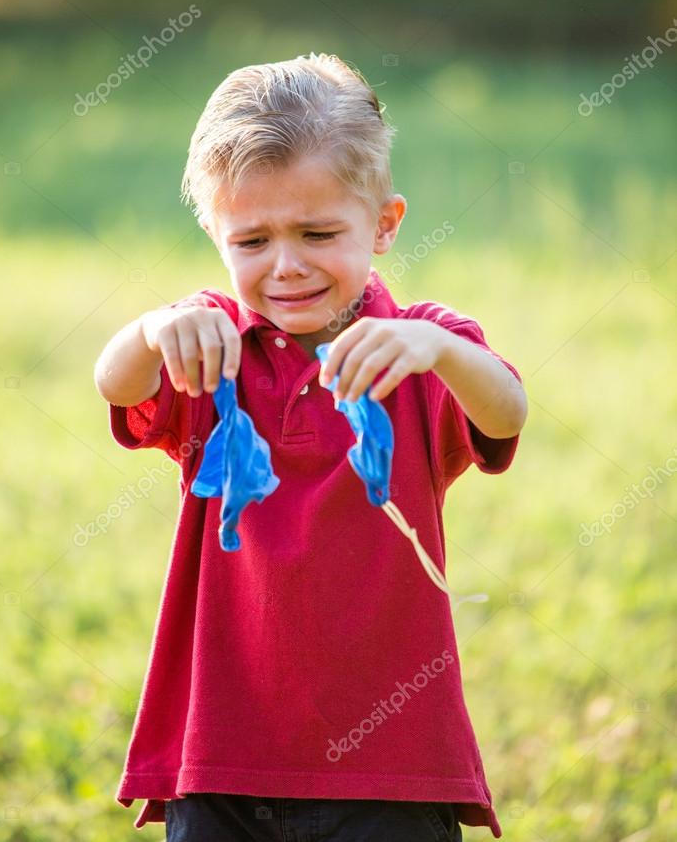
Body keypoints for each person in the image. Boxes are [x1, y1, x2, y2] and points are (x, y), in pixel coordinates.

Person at [94, 52, 527, 841]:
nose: (286, 265)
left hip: (392, 769)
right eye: (251, 239)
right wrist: (155, 328)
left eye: (318, 232)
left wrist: (440, 349)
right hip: (220, 756)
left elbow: (506, 411)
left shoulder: (420, 348)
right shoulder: (208, 343)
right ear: (215, 236)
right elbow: (117, 387)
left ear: (385, 224)